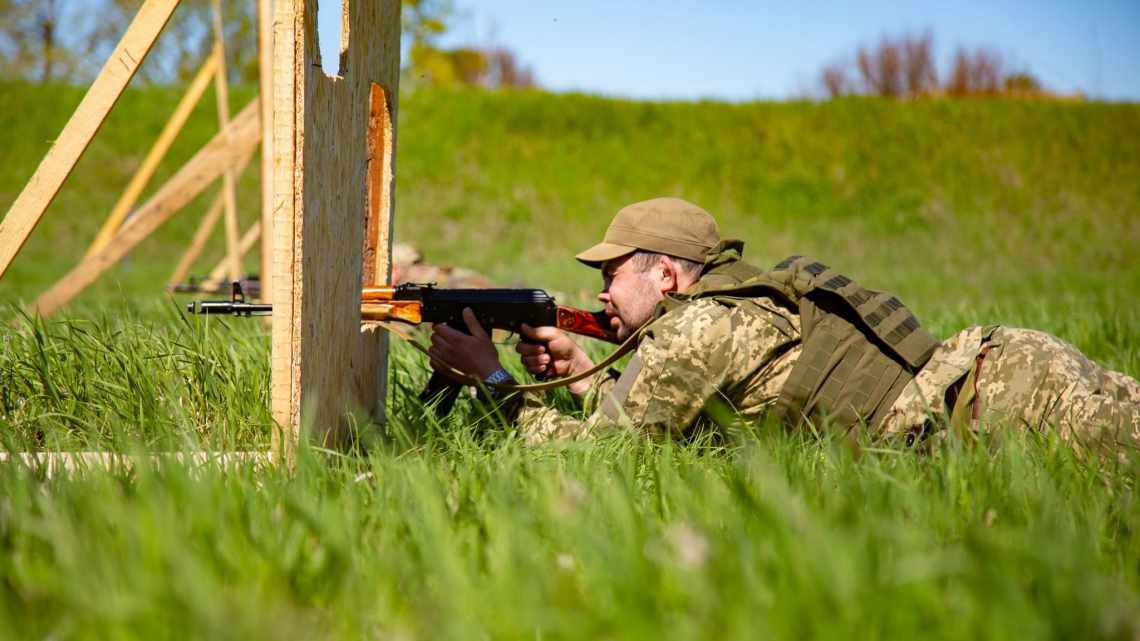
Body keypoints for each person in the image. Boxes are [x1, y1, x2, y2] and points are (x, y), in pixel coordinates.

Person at [427, 197, 1140, 450]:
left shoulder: (695, 329)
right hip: (999, 375)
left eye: (613, 273)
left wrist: (489, 377)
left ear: (666, 275)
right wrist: (581, 384)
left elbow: (599, 459)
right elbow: (677, 421)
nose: (602, 292)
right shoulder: (714, 314)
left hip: (1004, 406)